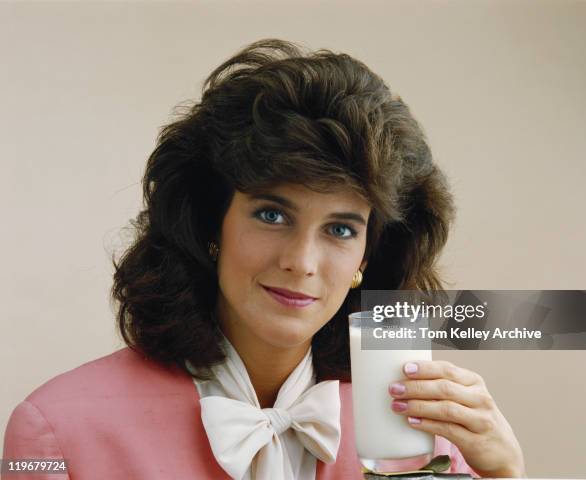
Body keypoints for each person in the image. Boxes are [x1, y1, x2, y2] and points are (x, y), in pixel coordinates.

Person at [2, 39, 526, 479]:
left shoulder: (416, 435)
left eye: (341, 229)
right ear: (212, 224)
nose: (302, 261)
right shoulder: (55, 432)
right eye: (272, 215)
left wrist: (506, 475)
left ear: (369, 254)